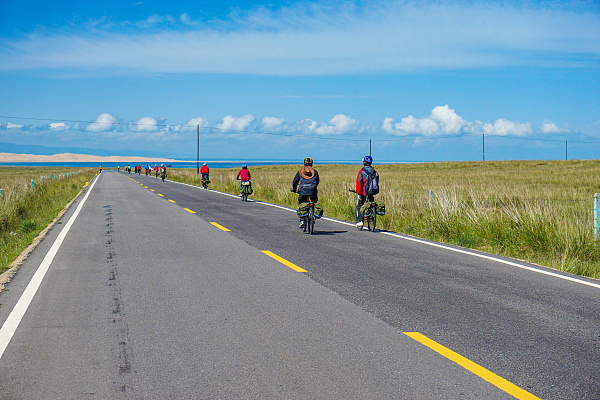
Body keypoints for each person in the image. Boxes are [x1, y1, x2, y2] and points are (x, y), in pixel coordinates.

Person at [291, 157, 320, 228]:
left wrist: (294, 189)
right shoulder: (315, 172)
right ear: (312, 164)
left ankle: (302, 220)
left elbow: (295, 182)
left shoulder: (300, 171)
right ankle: (312, 214)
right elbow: (317, 181)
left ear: (304, 163)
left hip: (303, 191)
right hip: (312, 190)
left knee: (301, 203)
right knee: (314, 201)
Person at [355, 155, 379, 228]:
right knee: (371, 202)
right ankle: (371, 214)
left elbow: (359, 183)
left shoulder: (362, 172)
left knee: (360, 205)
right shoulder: (375, 172)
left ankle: (360, 221)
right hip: (372, 191)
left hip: (363, 192)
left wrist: (358, 193)